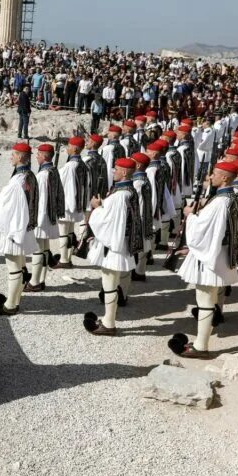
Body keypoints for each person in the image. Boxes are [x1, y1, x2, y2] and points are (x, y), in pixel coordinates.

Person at [168, 162, 238, 359]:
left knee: (205, 299)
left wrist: (189, 215)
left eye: (215, 174)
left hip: (212, 255)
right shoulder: (231, 196)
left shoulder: (220, 202)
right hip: (220, 253)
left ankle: (201, 346)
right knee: (208, 298)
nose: (211, 177)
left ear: (225, 177)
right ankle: (202, 341)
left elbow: (203, 229)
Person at [82, 158, 142, 336]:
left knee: (109, 284)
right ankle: (108, 319)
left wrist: (96, 208)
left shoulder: (120, 196)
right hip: (121, 244)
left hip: (114, 246)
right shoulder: (129, 191)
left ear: (124, 172)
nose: (113, 171)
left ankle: (109, 323)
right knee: (111, 283)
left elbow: (109, 222)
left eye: (116, 169)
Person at [0, 142, 39, 316]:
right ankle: (13, 299)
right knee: (17, 264)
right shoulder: (30, 175)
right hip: (24, 226)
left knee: (14, 266)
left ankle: (11, 305)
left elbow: (5, 207)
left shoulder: (18, 180)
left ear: (21, 157)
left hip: (15, 228)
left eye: (14, 154)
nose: (11, 157)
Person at [26, 143, 64, 291]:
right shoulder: (53, 170)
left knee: (38, 250)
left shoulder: (42, 175)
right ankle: (41, 279)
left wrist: (36, 220)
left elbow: (40, 200)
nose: (36, 156)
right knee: (44, 248)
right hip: (50, 215)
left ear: (44, 156)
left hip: (42, 217)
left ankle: (34, 282)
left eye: (38, 154)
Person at [58, 136, 89, 266]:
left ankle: (64, 259)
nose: (67, 148)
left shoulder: (70, 166)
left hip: (67, 203)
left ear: (75, 148)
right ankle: (68, 257)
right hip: (77, 202)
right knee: (70, 231)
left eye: (69, 146)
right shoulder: (82, 164)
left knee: (63, 233)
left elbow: (60, 183)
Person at [129, 152, 156, 283]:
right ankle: (140, 271)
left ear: (138, 165)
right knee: (144, 243)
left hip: (138, 217)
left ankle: (137, 272)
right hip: (145, 216)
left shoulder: (137, 183)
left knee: (138, 245)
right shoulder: (144, 180)